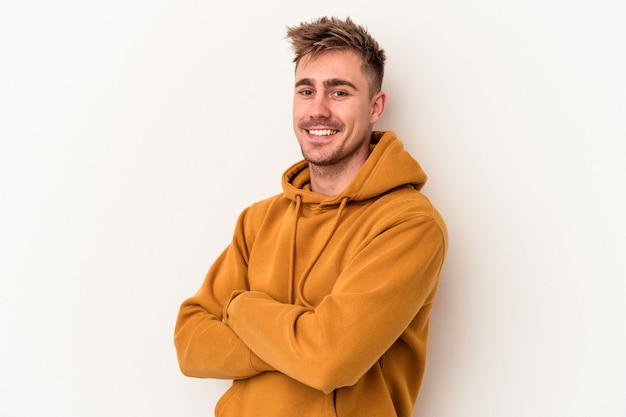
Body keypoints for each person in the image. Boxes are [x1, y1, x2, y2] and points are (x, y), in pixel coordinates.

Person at [174, 16, 448, 417]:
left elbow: (329, 359)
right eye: (307, 90)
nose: (318, 110)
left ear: (375, 106)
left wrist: (239, 307)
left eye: (339, 92)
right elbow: (190, 343)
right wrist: (299, 341)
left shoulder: (408, 224)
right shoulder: (259, 220)